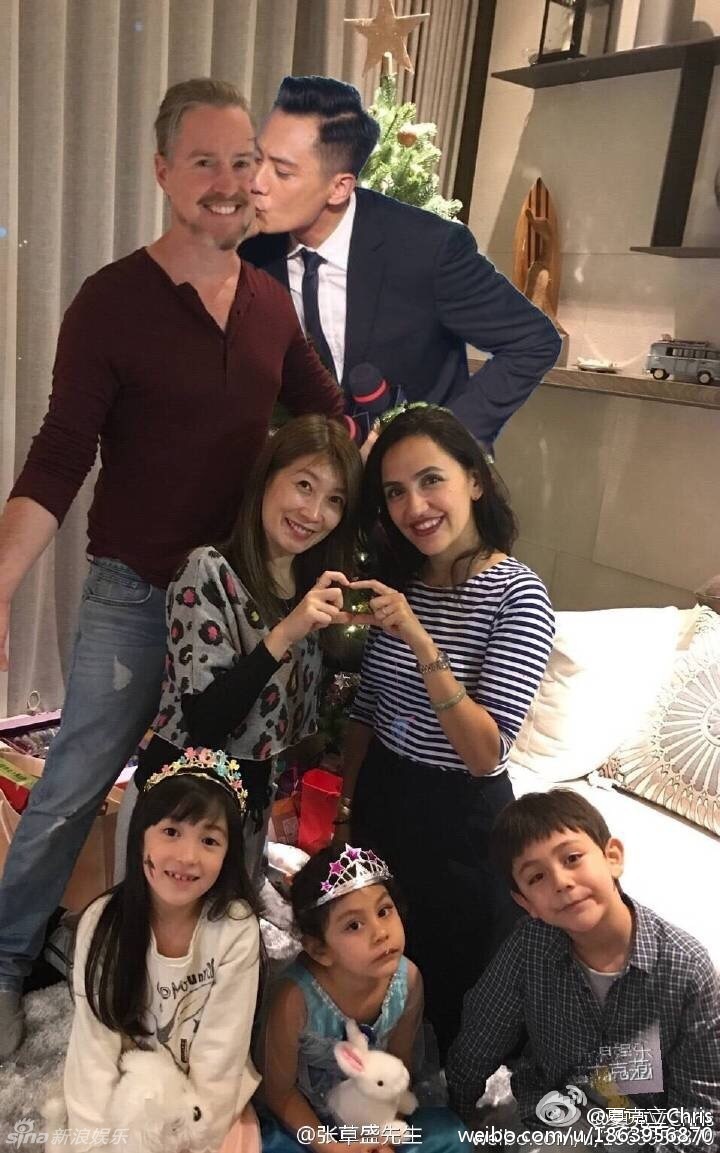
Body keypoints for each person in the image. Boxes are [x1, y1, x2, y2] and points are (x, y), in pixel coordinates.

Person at [0, 77, 343, 1058]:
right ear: (162, 171)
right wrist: (2, 583)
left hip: (241, 604)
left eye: (244, 162)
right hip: (136, 592)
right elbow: (59, 456)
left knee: (230, 787)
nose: (230, 182)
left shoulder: (270, 303)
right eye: (205, 162)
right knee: (74, 785)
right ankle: (7, 958)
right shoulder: (111, 302)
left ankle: (199, 971)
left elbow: (327, 419)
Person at [336, 405, 555, 1057]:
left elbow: (485, 752)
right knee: (371, 976)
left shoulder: (519, 595)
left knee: (449, 998)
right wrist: (345, 811)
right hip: (383, 797)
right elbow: (367, 709)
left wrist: (418, 636)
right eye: (395, 492)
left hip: (460, 821)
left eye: (431, 480)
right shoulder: (399, 582)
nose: (415, 506)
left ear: (475, 480)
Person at [241, 75, 562, 449]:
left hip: (415, 477)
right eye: (256, 160)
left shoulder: (428, 247)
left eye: (282, 172)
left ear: (339, 187)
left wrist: (443, 443)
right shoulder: (249, 256)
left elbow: (533, 340)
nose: (256, 183)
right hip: (317, 473)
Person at [122, 415, 362, 882]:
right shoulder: (208, 570)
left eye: (335, 500)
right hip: (176, 813)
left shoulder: (312, 586)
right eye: (304, 485)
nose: (314, 513)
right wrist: (285, 632)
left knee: (230, 932)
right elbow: (206, 722)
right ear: (267, 477)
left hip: (247, 814)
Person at [446, 789, 720, 1152]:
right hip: (552, 1115)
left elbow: (699, 1117)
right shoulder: (529, 946)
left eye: (572, 858)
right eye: (537, 877)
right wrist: (455, 1115)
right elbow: (481, 1036)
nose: (561, 882)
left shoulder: (686, 970)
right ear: (525, 902)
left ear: (612, 858)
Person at [63, 748, 262, 1152]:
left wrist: (197, 1142)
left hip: (201, 1106)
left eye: (209, 840)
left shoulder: (235, 928)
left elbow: (220, 1059)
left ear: (228, 855)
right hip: (130, 1092)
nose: (187, 857)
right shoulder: (102, 923)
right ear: (140, 836)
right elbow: (93, 1050)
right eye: (171, 831)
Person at [259, 842, 465, 1153]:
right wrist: (332, 1148)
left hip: (375, 1113)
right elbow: (279, 1093)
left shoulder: (407, 980)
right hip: (308, 1123)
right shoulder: (294, 1000)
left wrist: (382, 1138)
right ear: (319, 949)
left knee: (450, 1136)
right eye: (354, 925)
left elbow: (398, 1069)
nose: (381, 932)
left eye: (384, 911)